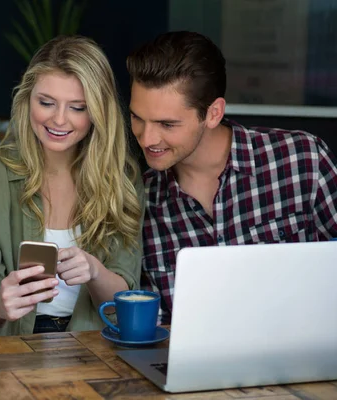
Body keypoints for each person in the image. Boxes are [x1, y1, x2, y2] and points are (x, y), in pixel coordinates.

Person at [126, 30, 337, 324]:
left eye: (167, 124)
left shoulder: (303, 161)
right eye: (137, 117)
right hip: (193, 367)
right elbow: (152, 329)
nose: (147, 138)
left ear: (213, 113)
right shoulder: (138, 201)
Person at [0, 35, 145, 336]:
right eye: (46, 102)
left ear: (98, 112)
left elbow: (122, 304)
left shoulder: (122, 179)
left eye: (77, 107)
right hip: (15, 349)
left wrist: (95, 272)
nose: (59, 119)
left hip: (94, 345)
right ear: (26, 99)